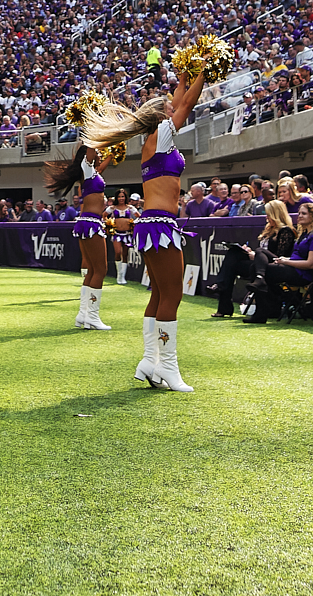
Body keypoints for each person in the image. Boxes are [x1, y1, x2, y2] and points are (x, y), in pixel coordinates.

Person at [81, 68, 205, 391]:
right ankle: (169, 367)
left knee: (160, 294)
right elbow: (186, 106)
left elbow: (180, 100)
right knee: (172, 295)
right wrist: (203, 70)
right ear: (161, 116)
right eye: (167, 107)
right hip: (160, 224)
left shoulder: (155, 140)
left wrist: (183, 77)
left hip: (151, 225)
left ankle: (150, 361)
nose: (172, 108)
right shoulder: (162, 135)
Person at [43, 142, 113, 329]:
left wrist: (112, 154)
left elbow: (102, 165)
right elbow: (91, 147)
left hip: (87, 222)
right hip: (91, 222)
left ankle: (83, 314)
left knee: (92, 270)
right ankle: (92, 316)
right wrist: (94, 130)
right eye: (96, 152)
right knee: (100, 270)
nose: (98, 154)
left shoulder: (91, 173)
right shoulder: (87, 168)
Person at [257, 200, 313, 322]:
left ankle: (263, 311)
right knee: (260, 254)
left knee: (263, 269)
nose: (300, 216)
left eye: (304, 214)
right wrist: (285, 259)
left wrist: (286, 262)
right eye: (299, 213)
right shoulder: (303, 235)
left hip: (302, 274)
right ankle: (264, 307)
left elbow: (310, 264)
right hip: (291, 267)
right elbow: (296, 258)